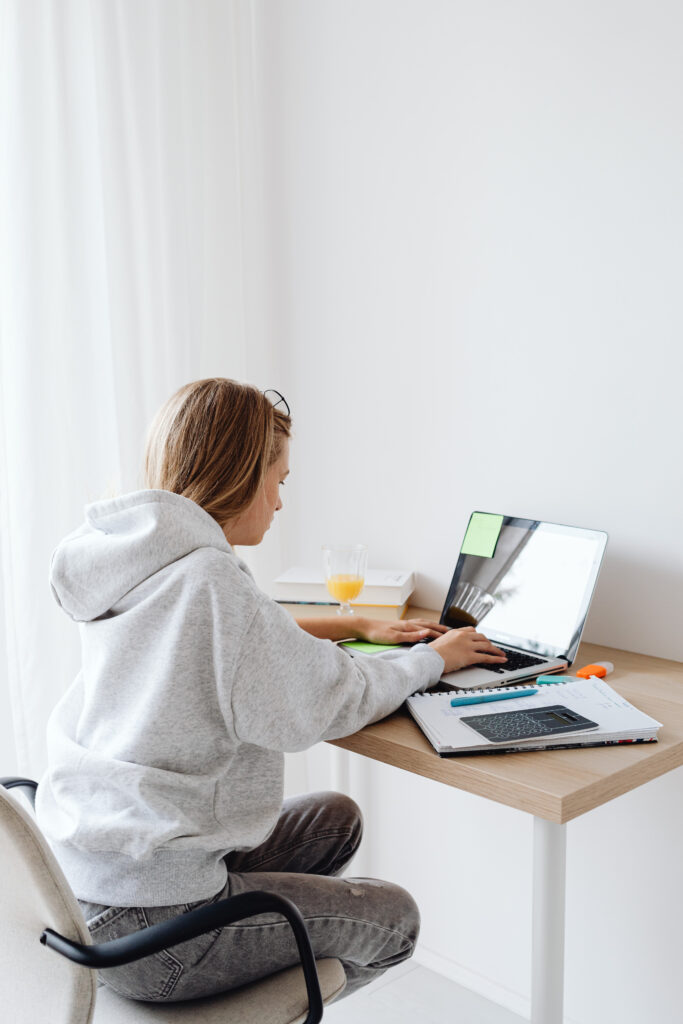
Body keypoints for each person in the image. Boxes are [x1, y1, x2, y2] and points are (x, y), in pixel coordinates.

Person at [36, 378, 506, 1004]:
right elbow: (333, 699)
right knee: (396, 919)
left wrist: (355, 623)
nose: (282, 502)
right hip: (159, 935)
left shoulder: (144, 562)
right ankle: (247, 1009)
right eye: (279, 480)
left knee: (333, 820)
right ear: (240, 475)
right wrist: (430, 660)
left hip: (84, 889)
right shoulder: (211, 582)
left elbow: (242, 630)